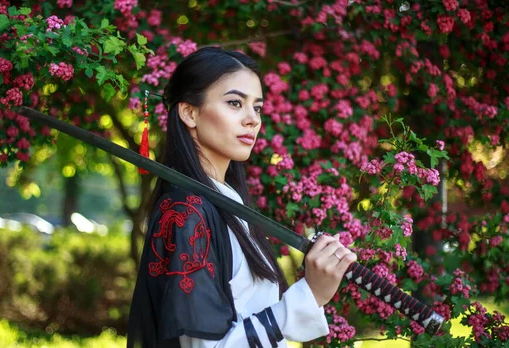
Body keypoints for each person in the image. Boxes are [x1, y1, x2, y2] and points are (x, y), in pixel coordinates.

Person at [127, 47, 357, 348]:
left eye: (257, 107)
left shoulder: (227, 202)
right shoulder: (186, 212)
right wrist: (309, 295)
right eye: (235, 103)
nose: (252, 120)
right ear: (190, 113)